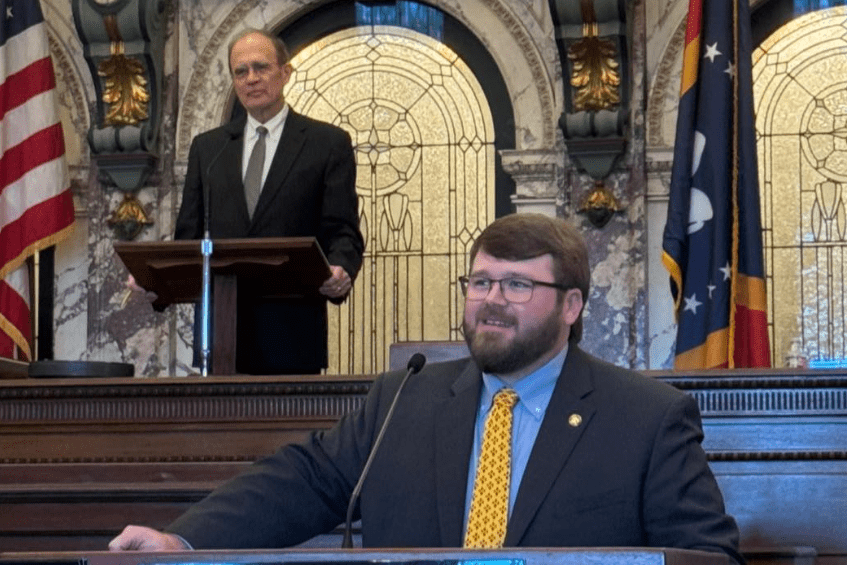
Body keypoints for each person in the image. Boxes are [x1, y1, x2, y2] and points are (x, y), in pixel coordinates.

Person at [110, 213, 743, 564]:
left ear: (571, 305)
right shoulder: (403, 401)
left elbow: (709, 559)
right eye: (480, 283)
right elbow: (303, 481)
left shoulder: (646, 418)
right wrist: (182, 541)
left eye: (518, 285)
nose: (492, 302)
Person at [172, 29, 364, 375]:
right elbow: (188, 236)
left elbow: (342, 230)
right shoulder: (209, 149)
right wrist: (158, 274)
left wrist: (341, 268)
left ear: (285, 73)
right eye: (240, 72)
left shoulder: (326, 143)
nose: (251, 79)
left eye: (261, 67)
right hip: (219, 335)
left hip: (292, 333)